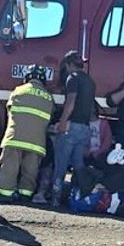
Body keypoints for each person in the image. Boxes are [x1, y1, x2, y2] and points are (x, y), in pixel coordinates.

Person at [0, 65, 54, 202]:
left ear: (27, 77)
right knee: (30, 171)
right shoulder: (48, 97)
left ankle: (4, 194)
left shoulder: (18, 91)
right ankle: (25, 195)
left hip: (15, 137)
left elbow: (9, 112)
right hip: (37, 143)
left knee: (10, 167)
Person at [51, 51, 95, 205]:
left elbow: (71, 101)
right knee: (78, 163)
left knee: (61, 164)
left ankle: (55, 198)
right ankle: (85, 194)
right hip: (84, 128)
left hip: (71, 126)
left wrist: (63, 121)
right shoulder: (90, 81)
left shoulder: (73, 79)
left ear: (69, 65)